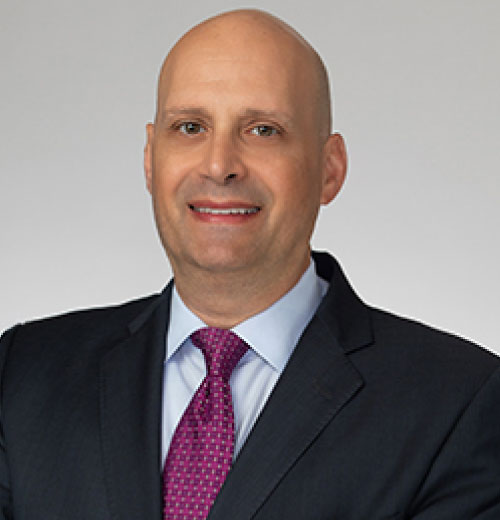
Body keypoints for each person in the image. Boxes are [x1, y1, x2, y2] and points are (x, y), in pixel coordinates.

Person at [0, 8, 499, 520]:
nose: (219, 165)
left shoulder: (460, 403)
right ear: (151, 160)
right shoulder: (22, 373)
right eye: (190, 127)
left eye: (263, 130)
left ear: (330, 169)